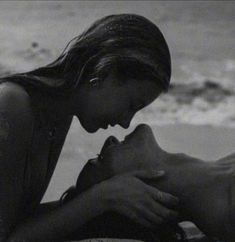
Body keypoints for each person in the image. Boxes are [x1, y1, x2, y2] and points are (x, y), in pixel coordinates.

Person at [0, 14, 179, 242]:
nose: (126, 122)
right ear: (104, 72)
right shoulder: (13, 104)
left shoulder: (57, 116)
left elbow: (19, 222)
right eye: (131, 105)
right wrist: (104, 196)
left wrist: (112, 198)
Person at [66, 123, 235, 242]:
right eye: (100, 159)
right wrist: (99, 199)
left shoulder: (224, 172)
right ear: (133, 200)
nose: (109, 139)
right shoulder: (225, 211)